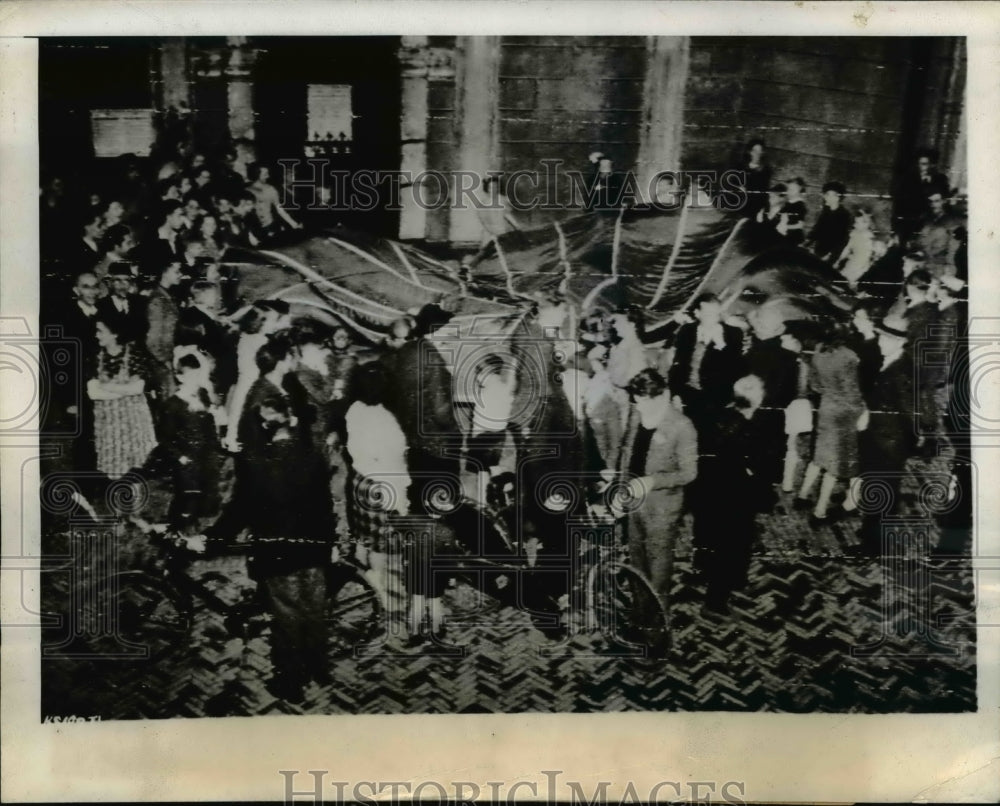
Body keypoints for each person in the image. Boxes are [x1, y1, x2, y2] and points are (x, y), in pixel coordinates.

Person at [248, 395, 335, 701]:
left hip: (279, 554)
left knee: (286, 617)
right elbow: (326, 507)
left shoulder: (258, 462)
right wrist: (330, 544)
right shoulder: (313, 456)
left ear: (264, 425)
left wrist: (209, 537)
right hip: (313, 550)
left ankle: (291, 682)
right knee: (314, 609)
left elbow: (241, 511)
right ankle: (319, 668)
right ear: (290, 419)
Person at [614, 368, 698, 654]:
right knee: (637, 564)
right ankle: (639, 617)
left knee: (658, 575)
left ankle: (657, 638)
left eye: (647, 402)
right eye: (638, 402)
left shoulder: (682, 426)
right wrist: (619, 489)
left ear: (663, 396)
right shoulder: (638, 413)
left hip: (662, 510)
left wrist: (652, 482)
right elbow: (627, 454)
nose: (641, 409)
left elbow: (689, 473)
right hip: (634, 504)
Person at [691, 375, 770, 616]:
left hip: (706, 491)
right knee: (732, 546)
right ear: (756, 398)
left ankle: (704, 570)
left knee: (707, 535)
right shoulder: (749, 429)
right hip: (734, 498)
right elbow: (756, 467)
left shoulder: (716, 416)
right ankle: (715, 602)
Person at [344, 362, 411, 612]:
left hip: (360, 479)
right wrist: (398, 500)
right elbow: (391, 460)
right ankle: (377, 583)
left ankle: (360, 568)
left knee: (364, 533)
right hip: (382, 485)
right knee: (381, 543)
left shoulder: (354, 409)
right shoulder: (385, 419)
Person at [795, 322, 866, 527]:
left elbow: (815, 385)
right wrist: (862, 409)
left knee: (819, 456)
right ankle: (819, 512)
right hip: (845, 413)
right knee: (833, 466)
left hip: (826, 408)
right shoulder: (848, 356)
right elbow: (851, 391)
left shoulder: (818, 351)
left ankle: (802, 496)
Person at [856, 317, 916, 556]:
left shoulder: (902, 371)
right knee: (877, 488)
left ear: (898, 341)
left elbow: (912, 414)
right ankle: (873, 530)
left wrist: (898, 445)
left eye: (883, 337)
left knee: (882, 492)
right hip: (880, 439)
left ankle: (874, 546)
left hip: (888, 444)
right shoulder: (890, 360)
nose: (879, 341)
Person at [159, 353, 225, 542]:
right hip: (186, 459)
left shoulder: (202, 395)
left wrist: (215, 447)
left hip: (205, 455)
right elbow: (165, 438)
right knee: (186, 495)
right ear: (179, 377)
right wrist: (179, 457)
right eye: (190, 377)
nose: (195, 381)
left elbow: (210, 423)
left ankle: (193, 530)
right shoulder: (172, 405)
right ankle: (175, 530)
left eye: (198, 376)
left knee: (204, 493)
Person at [87, 318, 158, 481]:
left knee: (135, 465)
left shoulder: (133, 353)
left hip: (132, 419)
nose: (97, 335)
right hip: (109, 421)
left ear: (115, 333)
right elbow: (93, 393)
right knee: (114, 467)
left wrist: (107, 386)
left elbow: (138, 388)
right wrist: (124, 389)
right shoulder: (95, 356)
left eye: (101, 331)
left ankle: (134, 495)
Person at [665, 292, 745, 433]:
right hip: (688, 395)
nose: (713, 319)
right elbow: (677, 366)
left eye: (716, 314)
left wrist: (721, 345)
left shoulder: (734, 334)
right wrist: (675, 394)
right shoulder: (686, 331)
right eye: (708, 314)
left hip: (716, 400)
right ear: (697, 313)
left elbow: (736, 370)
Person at [144, 261, 184, 417]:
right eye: (177, 271)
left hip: (167, 359)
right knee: (167, 407)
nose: (180, 274)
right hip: (161, 363)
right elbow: (153, 338)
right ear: (164, 272)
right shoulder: (157, 300)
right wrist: (164, 361)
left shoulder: (167, 296)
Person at [914, 190, 961, 279]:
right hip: (923, 263)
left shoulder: (952, 222)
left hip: (940, 267)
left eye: (936, 201)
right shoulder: (926, 220)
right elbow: (920, 241)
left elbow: (953, 249)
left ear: (944, 201)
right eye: (930, 202)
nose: (933, 205)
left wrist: (949, 267)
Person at [96, 262, 146, 345]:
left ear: (130, 283)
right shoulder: (101, 306)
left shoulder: (140, 302)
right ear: (110, 283)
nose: (122, 285)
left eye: (126, 280)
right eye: (117, 280)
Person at [247, 162, 301, 232]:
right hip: (255, 228)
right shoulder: (247, 191)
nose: (268, 176)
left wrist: (294, 224)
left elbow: (280, 209)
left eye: (268, 173)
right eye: (265, 174)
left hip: (271, 226)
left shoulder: (271, 189)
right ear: (256, 175)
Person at [807, 181, 852, 263]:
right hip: (819, 250)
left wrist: (830, 255)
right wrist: (807, 242)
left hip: (831, 254)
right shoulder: (826, 212)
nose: (827, 198)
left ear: (838, 197)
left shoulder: (844, 215)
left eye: (830, 195)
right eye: (826, 195)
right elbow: (817, 229)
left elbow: (842, 240)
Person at [835, 208, 876, 287]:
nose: (854, 225)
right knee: (840, 279)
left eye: (857, 223)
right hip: (853, 262)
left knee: (850, 283)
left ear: (866, 224)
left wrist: (864, 268)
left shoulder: (869, 237)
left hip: (861, 265)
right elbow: (847, 248)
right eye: (855, 222)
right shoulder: (854, 233)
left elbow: (869, 255)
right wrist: (839, 260)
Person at [737, 138, 772, 218]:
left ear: (762, 153)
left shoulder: (766, 170)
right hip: (741, 201)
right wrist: (739, 187)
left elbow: (763, 190)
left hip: (757, 203)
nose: (757, 154)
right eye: (755, 151)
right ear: (750, 152)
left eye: (760, 151)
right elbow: (734, 182)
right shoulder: (741, 167)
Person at [779, 177, 808, 246]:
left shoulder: (800, 205)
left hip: (793, 237)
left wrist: (785, 227)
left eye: (793, 189)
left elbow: (800, 225)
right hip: (783, 234)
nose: (789, 192)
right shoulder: (788, 203)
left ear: (799, 190)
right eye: (788, 189)